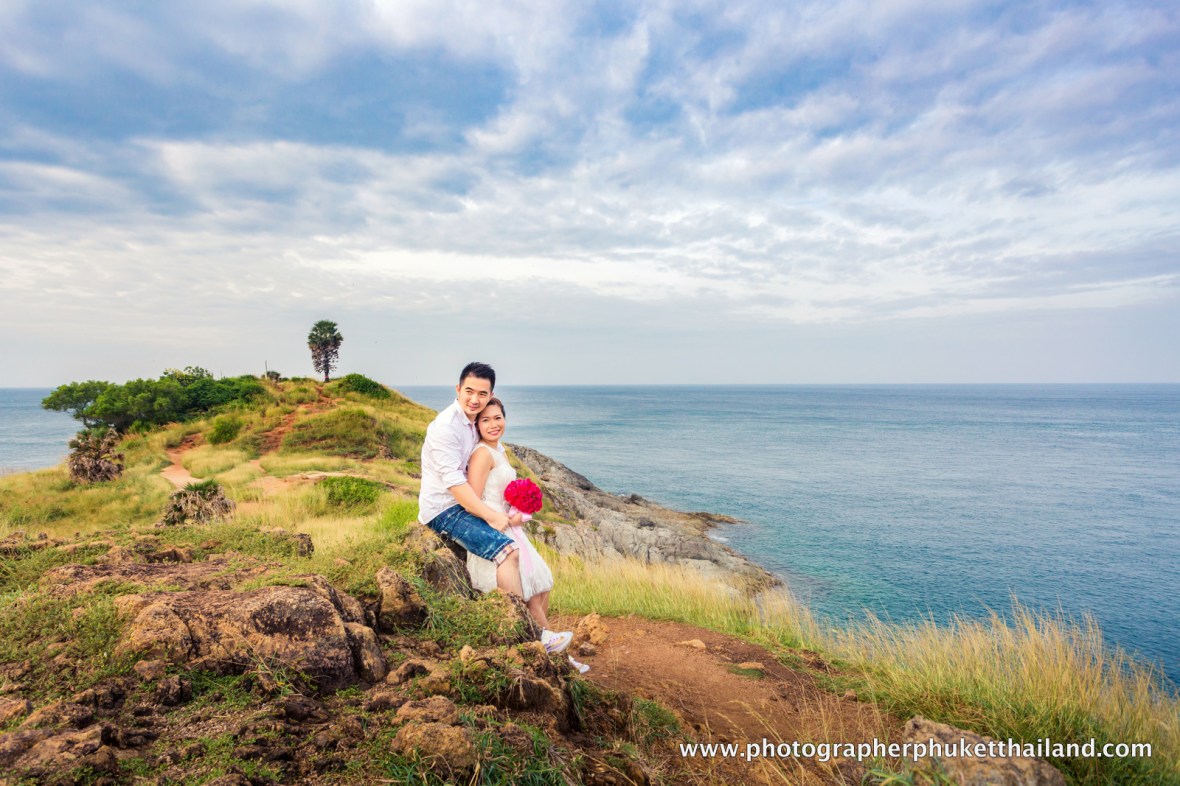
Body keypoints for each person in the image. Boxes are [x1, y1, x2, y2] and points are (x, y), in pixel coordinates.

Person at [417, 362, 572, 654]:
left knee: (532, 572)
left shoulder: (473, 424)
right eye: (469, 391)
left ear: (491, 395)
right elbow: (455, 484)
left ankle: (539, 633)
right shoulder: (445, 428)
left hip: (464, 504)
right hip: (444, 510)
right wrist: (493, 516)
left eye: (482, 393)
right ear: (458, 389)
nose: (475, 399)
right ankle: (524, 632)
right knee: (508, 552)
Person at [465, 397, 569, 653]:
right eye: (485, 420)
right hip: (494, 530)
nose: (493, 425)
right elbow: (473, 501)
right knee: (529, 594)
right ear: (477, 425)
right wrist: (507, 518)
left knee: (541, 586)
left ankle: (544, 645)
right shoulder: (481, 454)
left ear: (505, 419)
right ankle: (547, 645)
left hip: (511, 527)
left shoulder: (499, 451)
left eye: (498, 418)